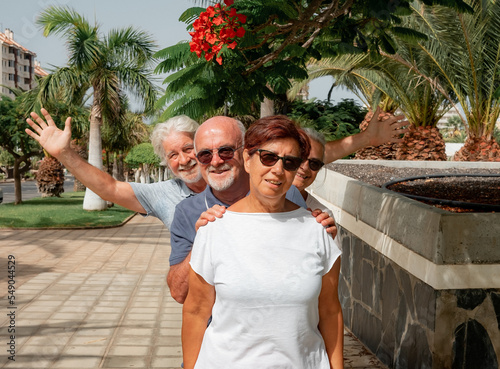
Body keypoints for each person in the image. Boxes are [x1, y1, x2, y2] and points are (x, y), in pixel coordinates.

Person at [182, 116, 343, 369]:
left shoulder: (318, 231)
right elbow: (196, 312)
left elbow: (330, 311)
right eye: (268, 158)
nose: (278, 170)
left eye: (289, 162)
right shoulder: (214, 230)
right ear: (247, 159)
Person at [167, 116, 325, 303]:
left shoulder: (286, 194)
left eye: (225, 151)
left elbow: (314, 281)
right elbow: (179, 293)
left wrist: (320, 233)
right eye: (205, 155)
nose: (216, 161)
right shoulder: (187, 212)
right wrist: (203, 241)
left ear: (245, 154)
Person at [25, 109, 206, 228]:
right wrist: (65, 154)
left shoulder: (231, 183)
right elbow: (110, 188)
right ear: (166, 161)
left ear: (201, 146)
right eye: (173, 155)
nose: (183, 160)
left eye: (188, 149)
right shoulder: (164, 193)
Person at [293, 127, 330, 211]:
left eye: (314, 163)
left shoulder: (321, 215)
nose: (305, 167)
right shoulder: (257, 201)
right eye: (300, 157)